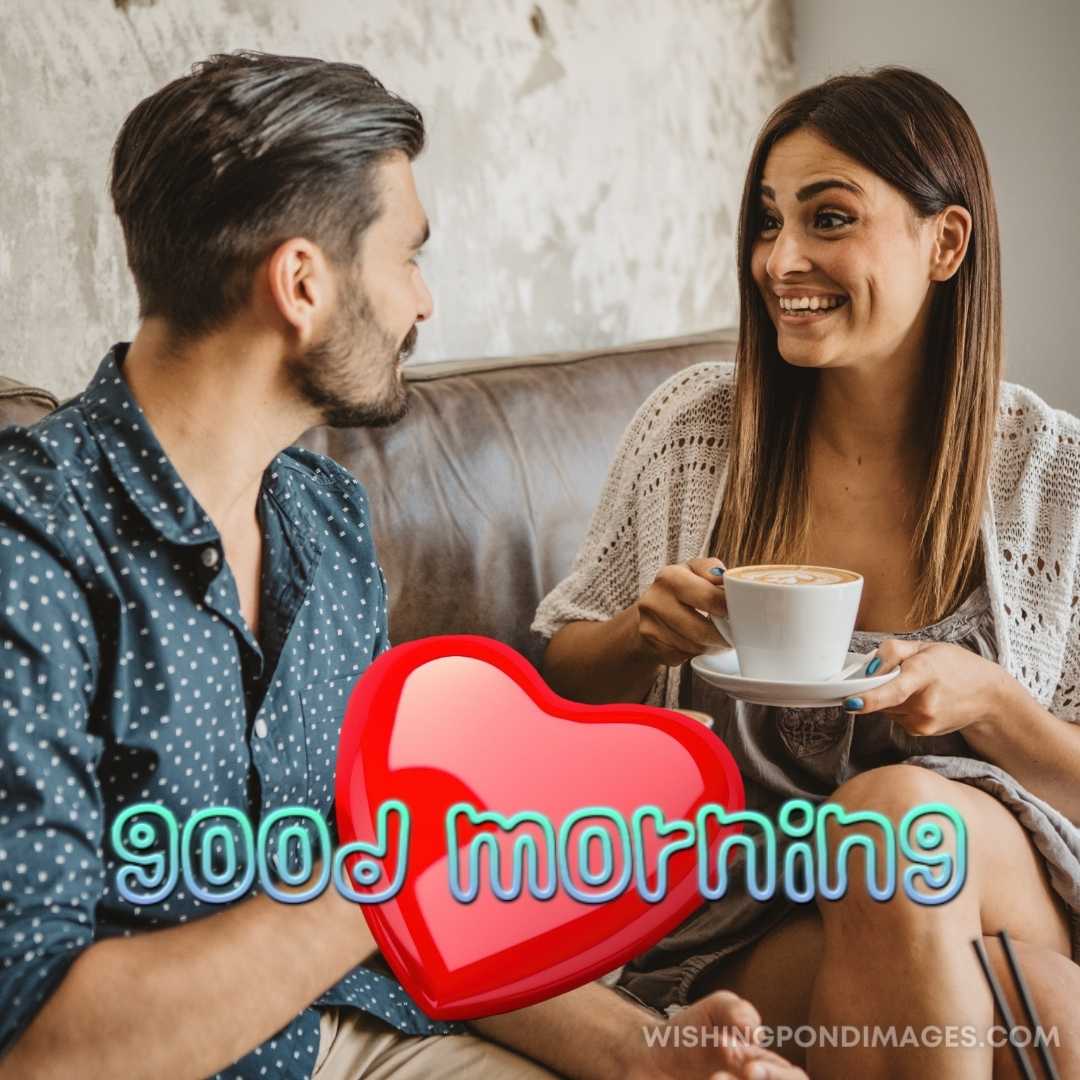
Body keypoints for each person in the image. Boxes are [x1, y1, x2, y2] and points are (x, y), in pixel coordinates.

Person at [0, 51, 805, 1080]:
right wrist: (402, 859)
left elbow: (414, 922)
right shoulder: (33, 543)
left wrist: (648, 1052)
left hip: (358, 1033)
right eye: (408, 257)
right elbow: (33, 1048)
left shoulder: (324, 522)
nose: (423, 304)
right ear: (302, 283)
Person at [534, 67, 1080, 1078]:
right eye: (767, 222)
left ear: (946, 242)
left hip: (1005, 876)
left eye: (829, 220)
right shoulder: (698, 430)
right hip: (749, 911)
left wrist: (993, 705)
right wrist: (637, 637)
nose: (781, 259)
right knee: (1038, 1016)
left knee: (895, 823)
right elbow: (557, 679)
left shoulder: (1056, 479)